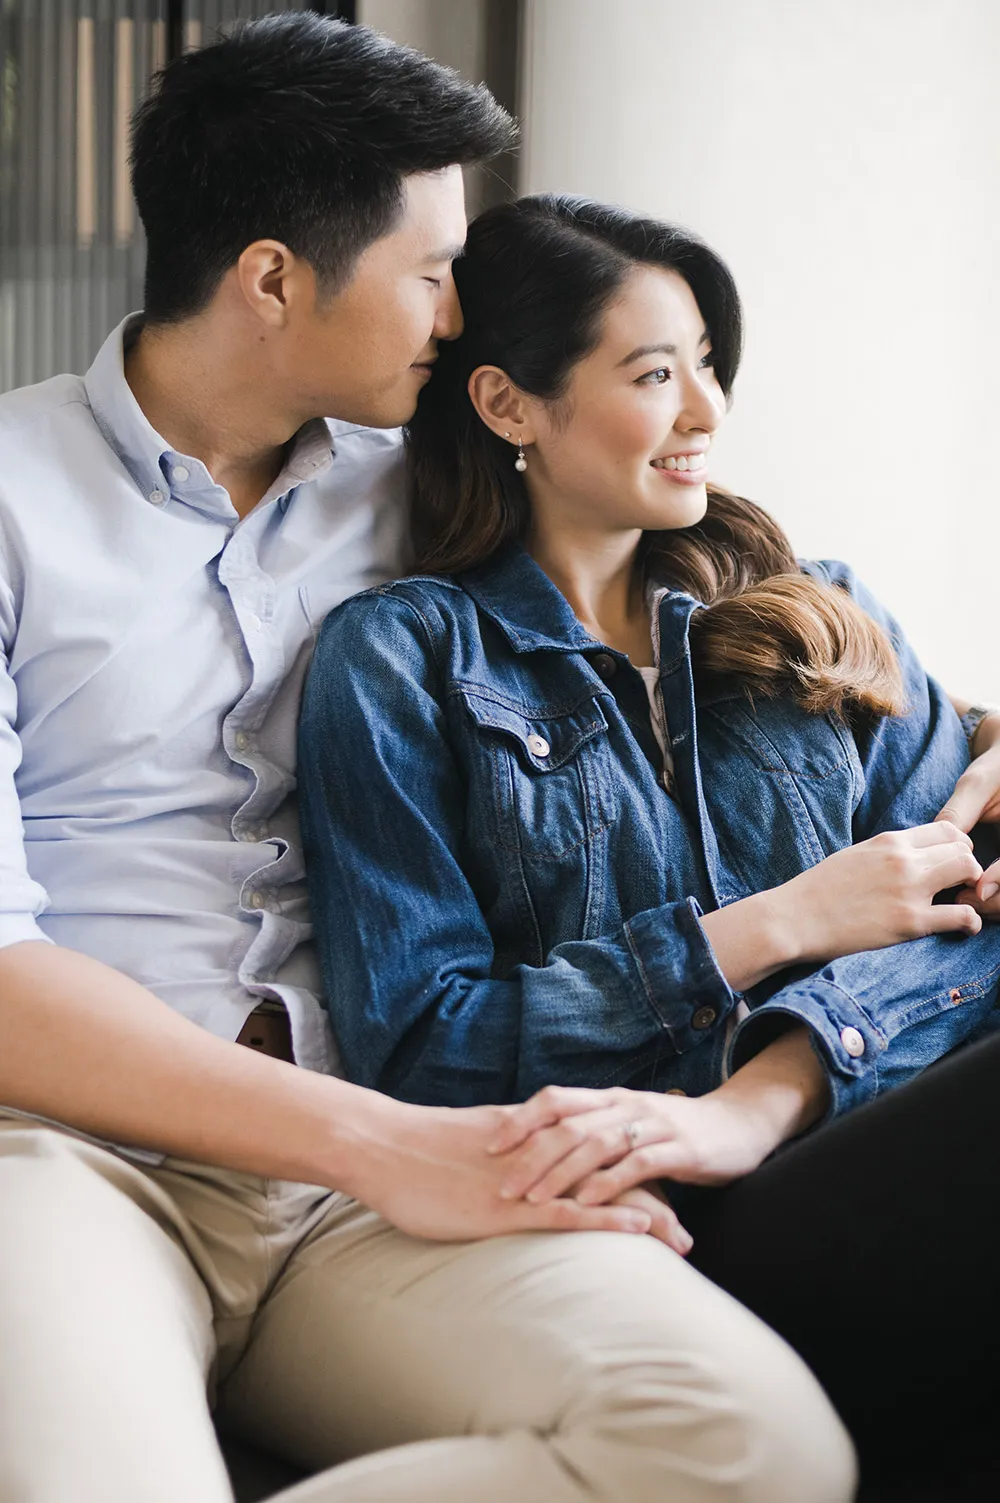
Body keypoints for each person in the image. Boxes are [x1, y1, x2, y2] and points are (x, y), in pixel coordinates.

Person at [0, 16, 869, 1503]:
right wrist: (387, 1143)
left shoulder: (441, 476)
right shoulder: (13, 498)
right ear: (273, 279)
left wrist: (969, 733)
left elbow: (707, 583)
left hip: (370, 1179)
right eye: (430, 270)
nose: (461, 313)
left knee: (750, 1445)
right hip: (74, 1157)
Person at [298, 194, 1000, 1489]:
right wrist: (775, 928)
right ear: (510, 405)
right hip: (648, 1225)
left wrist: (763, 1097)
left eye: (708, 365)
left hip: (860, 1132)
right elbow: (420, 1046)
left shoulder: (823, 616)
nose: (707, 411)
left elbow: (979, 913)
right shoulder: (400, 660)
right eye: (655, 373)